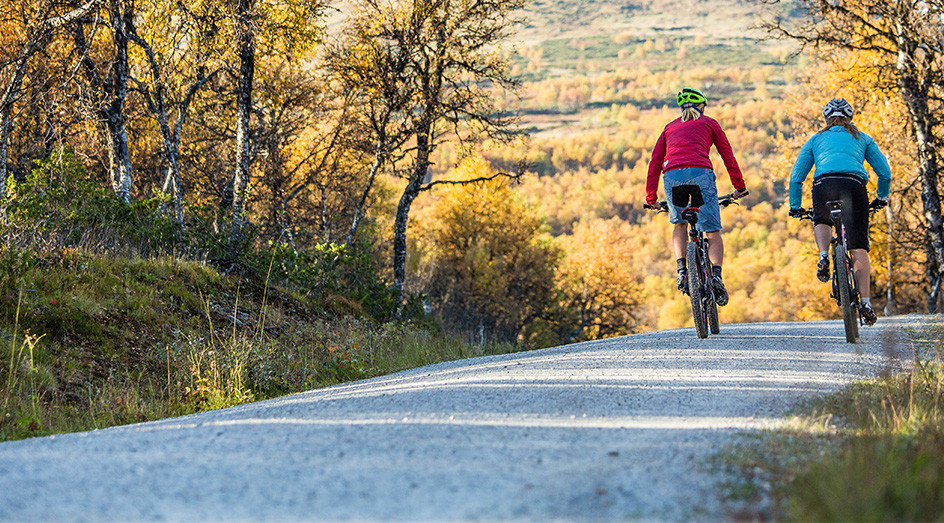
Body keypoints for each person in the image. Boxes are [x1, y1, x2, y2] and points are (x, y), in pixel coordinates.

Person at [788, 98, 891, 326]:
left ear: (827, 119)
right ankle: (865, 302)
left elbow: (796, 177)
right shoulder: (862, 138)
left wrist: (795, 207)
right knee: (858, 248)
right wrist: (882, 197)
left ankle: (824, 256)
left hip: (824, 185)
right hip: (854, 187)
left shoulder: (816, 139)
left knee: (821, 218)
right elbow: (884, 172)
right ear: (849, 118)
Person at [644, 87, 749, 305]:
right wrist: (739, 187)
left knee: (680, 224)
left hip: (672, 176)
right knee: (712, 231)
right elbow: (726, 154)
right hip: (701, 174)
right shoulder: (709, 123)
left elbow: (655, 162)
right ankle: (717, 276)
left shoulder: (669, 128)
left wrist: (651, 198)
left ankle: (682, 270)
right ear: (702, 106)